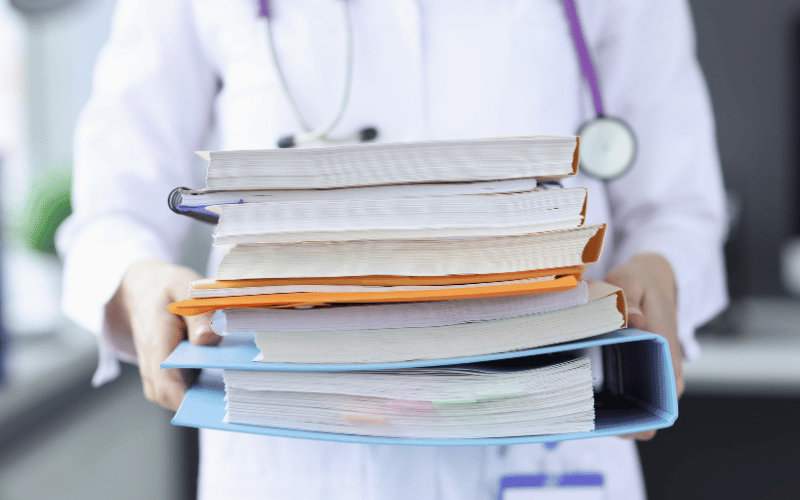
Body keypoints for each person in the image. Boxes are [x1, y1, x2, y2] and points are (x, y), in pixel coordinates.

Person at [57, 0, 728, 498]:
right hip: (294, 466)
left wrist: (664, 272)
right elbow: (111, 216)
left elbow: (680, 207)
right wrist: (138, 280)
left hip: (546, 452)